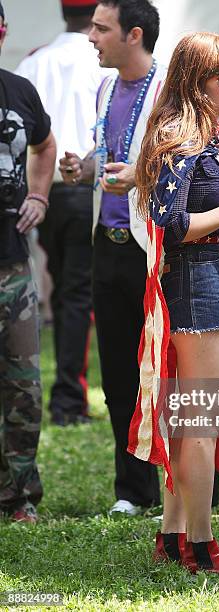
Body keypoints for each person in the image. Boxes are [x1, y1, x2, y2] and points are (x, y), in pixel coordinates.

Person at [128, 31, 219, 573]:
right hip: (196, 283)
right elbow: (171, 228)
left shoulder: (200, 136)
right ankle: (201, 546)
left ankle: (173, 539)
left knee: (188, 418)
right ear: (196, 82)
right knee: (199, 420)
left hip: (203, 280)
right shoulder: (184, 141)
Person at [59, 0, 165, 516]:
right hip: (109, 244)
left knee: (171, 370)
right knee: (119, 374)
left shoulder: (169, 90)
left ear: (134, 34)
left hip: (155, 250)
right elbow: (112, 150)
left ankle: (193, 486)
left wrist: (138, 176)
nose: (90, 36)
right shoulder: (105, 88)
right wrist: (85, 163)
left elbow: (187, 164)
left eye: (101, 28)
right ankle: (133, 490)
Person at [15, 0, 115, 426]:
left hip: (41, 191)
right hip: (85, 188)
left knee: (55, 291)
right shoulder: (103, 60)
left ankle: (53, 395)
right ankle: (69, 402)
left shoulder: (36, 61)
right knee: (77, 296)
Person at [0, 1, 56, 522]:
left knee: (23, 387)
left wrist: (38, 195)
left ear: (2, 30)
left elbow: (44, 145)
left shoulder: (20, 92)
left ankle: (17, 497)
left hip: (13, 265)